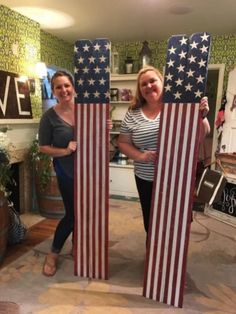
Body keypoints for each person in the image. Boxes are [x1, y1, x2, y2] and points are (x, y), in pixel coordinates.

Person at [117, 66, 210, 236]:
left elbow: (200, 137)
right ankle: (153, 252)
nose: (148, 86)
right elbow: (122, 142)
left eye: (153, 81)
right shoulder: (133, 113)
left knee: (177, 220)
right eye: (143, 84)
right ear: (140, 90)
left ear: (163, 82)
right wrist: (140, 156)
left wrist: (202, 117)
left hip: (176, 177)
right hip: (145, 178)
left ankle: (171, 257)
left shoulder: (178, 107)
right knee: (151, 220)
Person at [38, 70, 77, 276]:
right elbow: (43, 147)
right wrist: (65, 150)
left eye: (66, 85)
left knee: (87, 213)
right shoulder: (49, 117)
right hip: (66, 171)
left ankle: (77, 247)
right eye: (58, 87)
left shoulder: (87, 111)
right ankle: (52, 254)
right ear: (53, 91)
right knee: (72, 215)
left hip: (89, 172)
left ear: (73, 87)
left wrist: (104, 127)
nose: (64, 90)